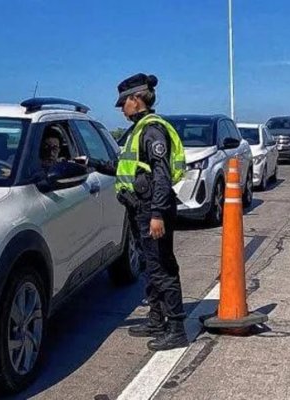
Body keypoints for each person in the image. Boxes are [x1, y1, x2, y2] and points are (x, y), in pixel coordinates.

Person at [109, 73, 188, 351]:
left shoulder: (152, 130)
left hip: (153, 212)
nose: (121, 108)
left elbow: (161, 176)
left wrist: (156, 214)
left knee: (162, 268)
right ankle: (156, 320)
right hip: (141, 210)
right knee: (151, 268)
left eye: (123, 102)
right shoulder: (139, 128)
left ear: (136, 99)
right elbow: (130, 169)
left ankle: (177, 328)